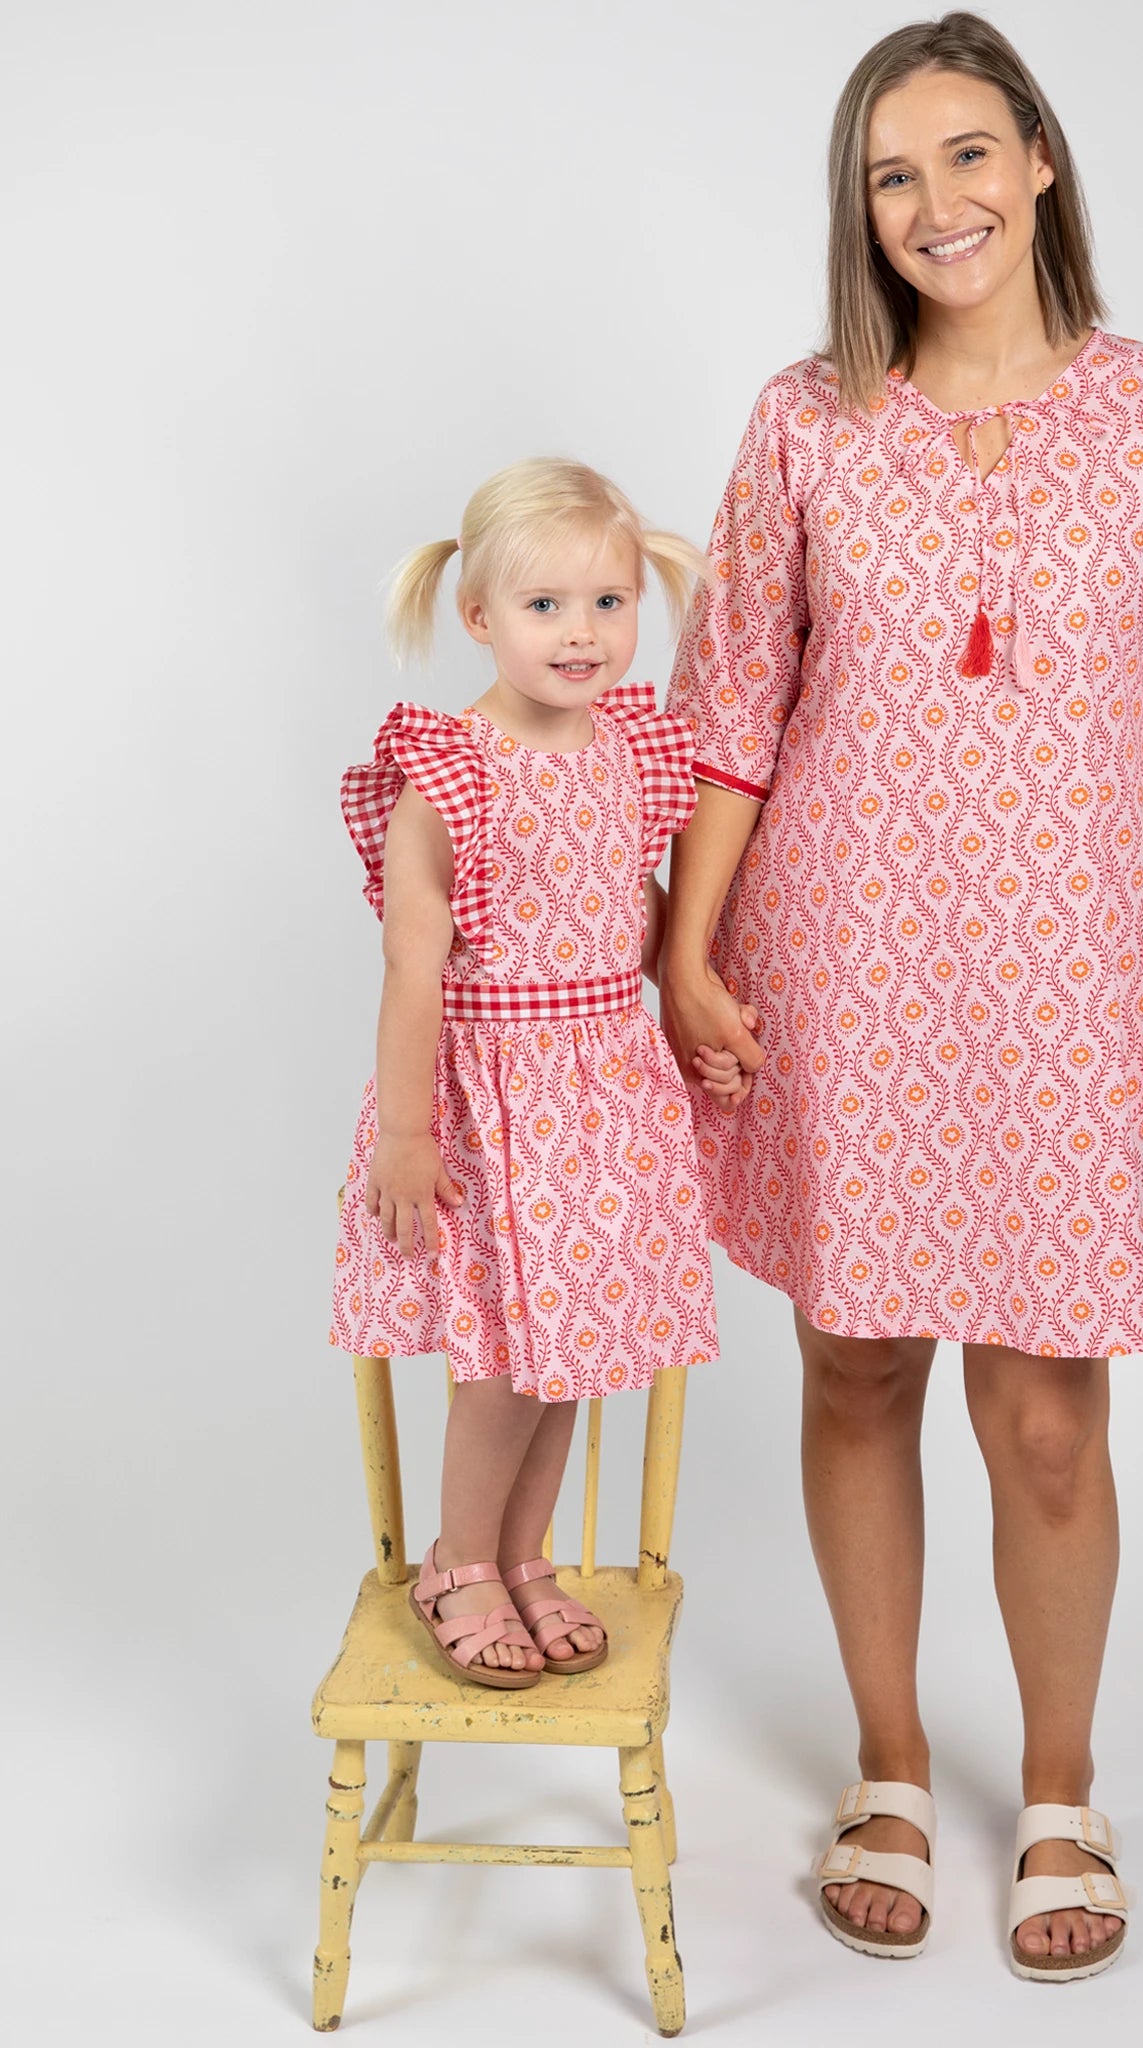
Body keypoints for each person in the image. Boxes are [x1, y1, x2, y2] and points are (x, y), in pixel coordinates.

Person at [660, 10, 1143, 1981]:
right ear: (858, 210)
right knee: (858, 1360)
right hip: (837, 957)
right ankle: (888, 1762)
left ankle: (1060, 1786)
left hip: (1073, 967)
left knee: (1046, 1407)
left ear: (1041, 162)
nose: (934, 203)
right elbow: (732, 708)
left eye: (967, 156)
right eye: (894, 173)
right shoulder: (808, 418)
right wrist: (693, 938)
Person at [332, 458, 744, 1687]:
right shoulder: (445, 772)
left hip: (604, 1090)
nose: (584, 633)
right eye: (547, 606)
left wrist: (684, 1019)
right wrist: (408, 1131)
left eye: (610, 602)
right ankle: (458, 1559)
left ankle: (523, 1554)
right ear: (480, 616)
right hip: (491, 1098)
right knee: (508, 1360)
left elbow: (640, 906)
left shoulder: (631, 745)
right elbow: (414, 968)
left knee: (576, 1351)